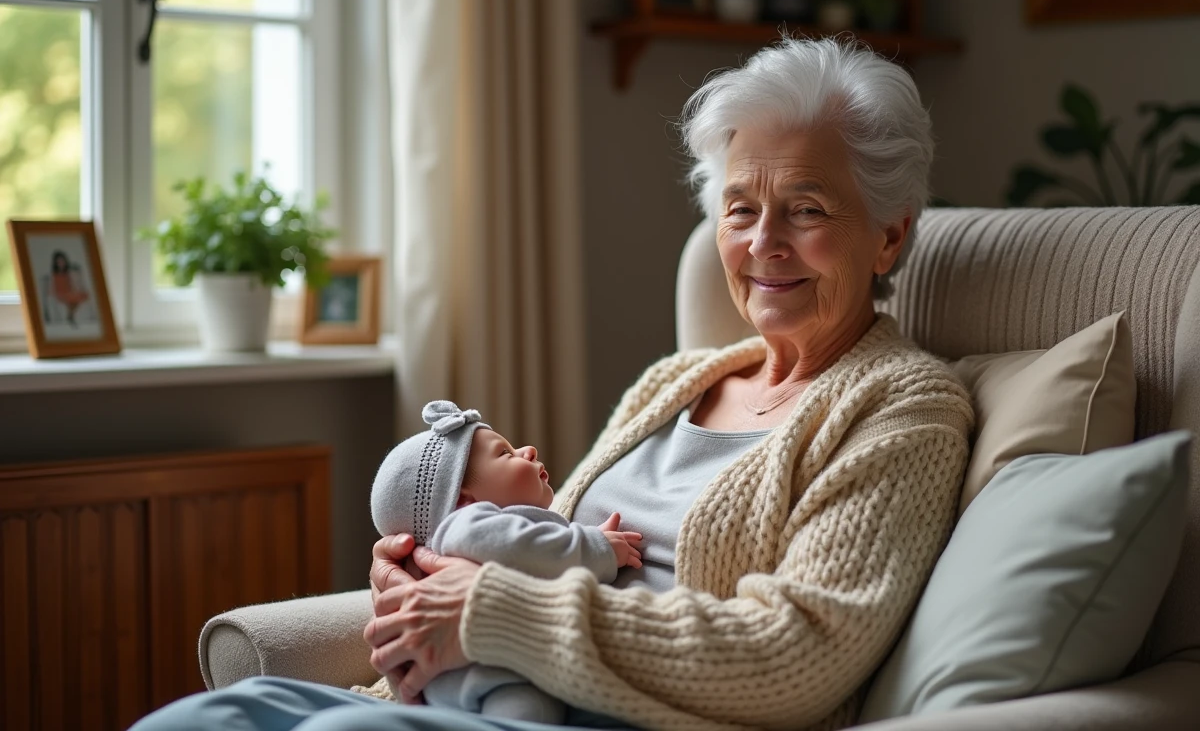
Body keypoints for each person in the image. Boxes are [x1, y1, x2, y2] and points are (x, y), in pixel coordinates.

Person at [131, 36, 974, 731]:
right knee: (204, 720)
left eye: (808, 208)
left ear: (890, 236)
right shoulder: (675, 382)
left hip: (623, 720)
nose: (762, 244)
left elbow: (796, 653)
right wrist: (423, 577)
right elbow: (538, 544)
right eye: (740, 208)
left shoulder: (905, 406)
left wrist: (488, 611)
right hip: (509, 695)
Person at [359, 399, 643, 724]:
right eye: (506, 454)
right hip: (491, 675)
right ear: (465, 501)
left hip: (472, 671)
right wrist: (596, 547)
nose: (530, 450)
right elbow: (528, 550)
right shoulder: (467, 526)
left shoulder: (482, 528)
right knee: (531, 711)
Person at [49, 250, 90, 325]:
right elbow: (53, 287)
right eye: (59, 262)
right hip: (61, 293)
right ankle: (70, 316)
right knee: (72, 298)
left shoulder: (68, 272)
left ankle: (70, 316)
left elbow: (74, 283)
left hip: (69, 292)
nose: (61, 263)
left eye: (62, 261)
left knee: (82, 295)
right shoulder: (54, 275)